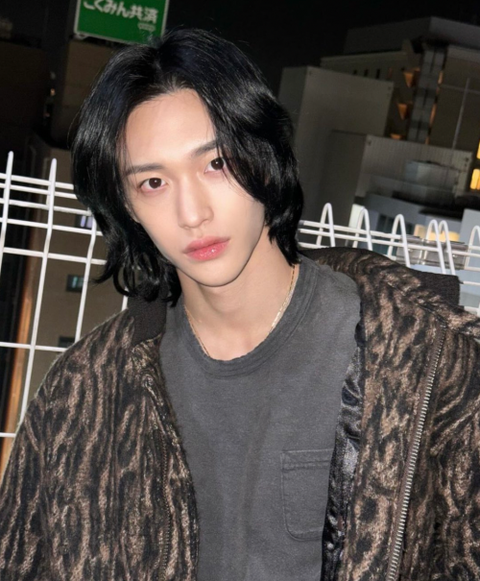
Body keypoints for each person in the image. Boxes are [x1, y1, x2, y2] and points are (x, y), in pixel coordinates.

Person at [1, 27, 480, 581]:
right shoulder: (81, 396)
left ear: (264, 156)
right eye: (153, 182)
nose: (192, 213)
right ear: (127, 208)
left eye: (216, 164)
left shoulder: (432, 363)